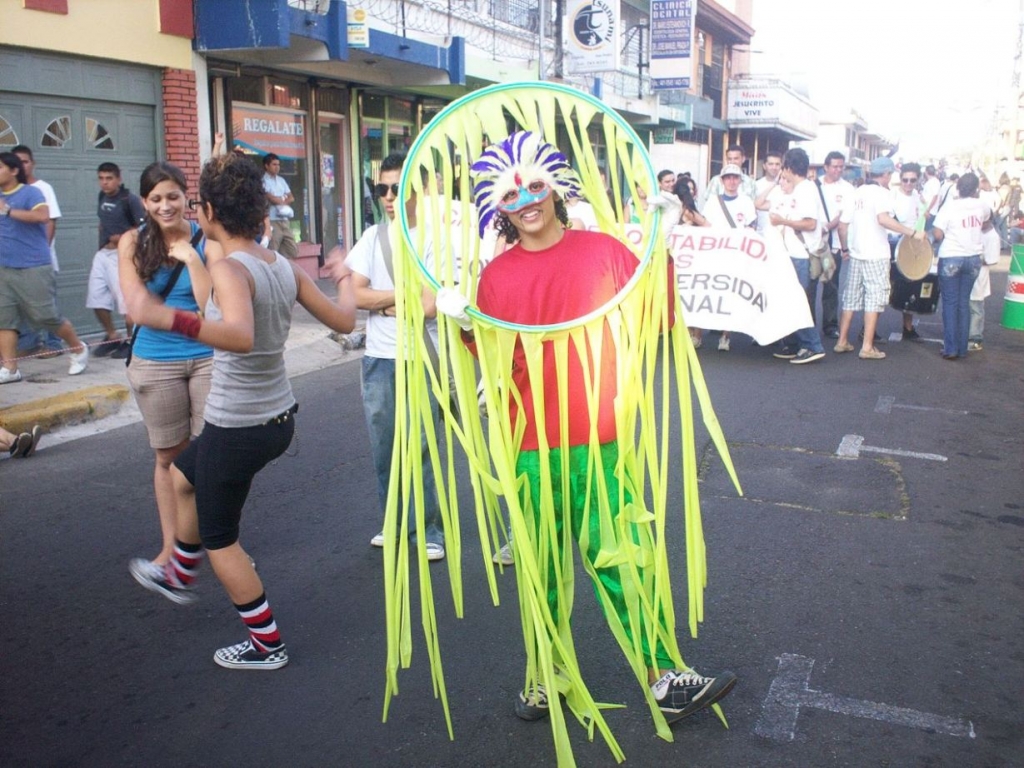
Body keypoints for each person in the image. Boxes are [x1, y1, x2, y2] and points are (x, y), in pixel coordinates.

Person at [438, 131, 736, 728]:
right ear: (497, 207)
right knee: (543, 569)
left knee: (624, 558)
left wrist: (664, 242)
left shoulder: (603, 251)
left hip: (600, 436)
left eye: (535, 185)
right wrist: (463, 323)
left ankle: (663, 679)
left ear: (556, 186)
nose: (526, 199)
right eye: (511, 192)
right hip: (530, 445)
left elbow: (658, 313)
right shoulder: (495, 278)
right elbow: (496, 360)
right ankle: (545, 679)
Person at [127, 152, 356, 669]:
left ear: (207, 210)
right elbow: (344, 321)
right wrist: (342, 274)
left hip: (240, 426)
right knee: (185, 476)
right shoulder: (278, 265)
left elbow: (239, 335)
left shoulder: (230, 268)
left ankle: (266, 645)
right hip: (276, 420)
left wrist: (165, 316)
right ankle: (179, 570)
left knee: (221, 539)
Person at [336, 153, 446, 561]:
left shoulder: (437, 239)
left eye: (397, 188)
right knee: (384, 448)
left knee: (420, 447)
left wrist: (379, 303)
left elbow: (430, 306)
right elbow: (353, 294)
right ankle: (395, 523)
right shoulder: (372, 237)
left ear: (418, 190)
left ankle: (429, 530)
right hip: (379, 357)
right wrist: (401, 298)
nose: (388, 197)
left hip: (421, 356)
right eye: (381, 189)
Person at [119, 162, 221, 572]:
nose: (166, 206)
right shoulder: (132, 242)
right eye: (156, 199)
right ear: (145, 202)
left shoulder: (205, 239)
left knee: (209, 455)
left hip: (207, 358)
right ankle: (172, 547)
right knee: (168, 458)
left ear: (186, 197)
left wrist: (193, 261)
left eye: (173, 197)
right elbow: (137, 309)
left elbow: (211, 304)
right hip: (155, 361)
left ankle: (217, 544)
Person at [0, 152, 89, 383]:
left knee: (46, 316)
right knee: (4, 319)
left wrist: (8, 210)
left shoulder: (31, 192)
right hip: (3, 267)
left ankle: (78, 349)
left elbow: (43, 216)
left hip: (33, 265)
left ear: (14, 170)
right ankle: (10, 369)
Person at [836, 156, 924, 360]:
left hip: (857, 252)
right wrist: (911, 232)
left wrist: (845, 248)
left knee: (850, 298)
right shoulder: (882, 193)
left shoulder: (857, 192)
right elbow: (883, 219)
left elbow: (842, 225)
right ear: (885, 174)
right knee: (874, 299)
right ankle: (867, 346)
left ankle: (842, 341)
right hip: (876, 253)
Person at [757, 148, 828, 364]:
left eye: (783, 167)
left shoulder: (806, 190)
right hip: (790, 254)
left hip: (800, 255)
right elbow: (759, 203)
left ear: (789, 167)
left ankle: (812, 345)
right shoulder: (796, 189)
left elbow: (810, 223)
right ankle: (797, 344)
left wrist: (783, 222)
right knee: (791, 300)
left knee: (798, 301)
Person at [697, 163, 756, 352]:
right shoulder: (713, 201)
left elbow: (751, 227)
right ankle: (698, 334)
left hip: (736, 256)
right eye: (728, 178)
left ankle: (725, 336)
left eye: (735, 177)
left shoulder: (746, 201)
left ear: (740, 180)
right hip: (715, 255)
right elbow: (705, 226)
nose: (732, 181)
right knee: (710, 293)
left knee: (731, 295)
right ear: (722, 181)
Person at [12, 145, 63, 357]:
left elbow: (50, 222)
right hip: (16, 261)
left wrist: (40, 253)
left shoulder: (43, 188)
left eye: (25, 161)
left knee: (46, 304)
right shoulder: (12, 191)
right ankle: (29, 343)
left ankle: (55, 344)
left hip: (40, 260)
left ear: (32, 163)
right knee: (20, 304)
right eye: (17, 162)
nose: (22, 166)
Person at [932, 172, 989, 360]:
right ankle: (963, 347)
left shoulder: (950, 207)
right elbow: (986, 222)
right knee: (964, 302)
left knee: (950, 303)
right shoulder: (982, 205)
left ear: (958, 188)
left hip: (951, 256)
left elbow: (938, 234)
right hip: (973, 257)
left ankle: (951, 348)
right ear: (976, 189)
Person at [91, 162, 143, 357]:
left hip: (124, 255)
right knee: (96, 298)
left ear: (118, 179)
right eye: (101, 178)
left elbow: (143, 228)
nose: (105, 183)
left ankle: (132, 342)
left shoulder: (129, 200)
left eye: (109, 178)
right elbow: (102, 221)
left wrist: (122, 238)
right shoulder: (101, 197)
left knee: (126, 303)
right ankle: (112, 336)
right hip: (103, 253)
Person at [817, 151, 856, 338]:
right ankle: (805, 326)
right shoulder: (813, 186)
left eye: (841, 166)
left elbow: (845, 221)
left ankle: (830, 325)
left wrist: (845, 247)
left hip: (832, 247)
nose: (838, 170)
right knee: (807, 286)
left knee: (831, 285)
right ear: (826, 167)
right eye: (834, 166)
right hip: (811, 244)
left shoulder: (848, 189)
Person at [890, 162, 927, 340]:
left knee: (910, 286)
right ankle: (868, 328)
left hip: (912, 246)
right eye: (905, 180)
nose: (908, 183)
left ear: (917, 180)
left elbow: (921, 220)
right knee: (887, 287)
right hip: (893, 242)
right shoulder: (892, 196)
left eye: (912, 180)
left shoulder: (918, 197)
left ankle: (908, 327)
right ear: (900, 179)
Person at [262, 153, 298, 259]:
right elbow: (270, 198)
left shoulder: (281, 180)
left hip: (284, 220)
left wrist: (281, 201)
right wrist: (281, 199)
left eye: (278, 164)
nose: (277, 167)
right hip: (272, 220)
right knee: (273, 249)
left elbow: (291, 197)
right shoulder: (263, 181)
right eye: (274, 164)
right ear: (266, 166)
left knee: (292, 250)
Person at [754, 150, 783, 234]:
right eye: (770, 164)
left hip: (779, 235)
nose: (774, 167)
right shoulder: (756, 185)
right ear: (764, 166)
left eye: (777, 164)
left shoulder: (785, 186)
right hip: (760, 233)